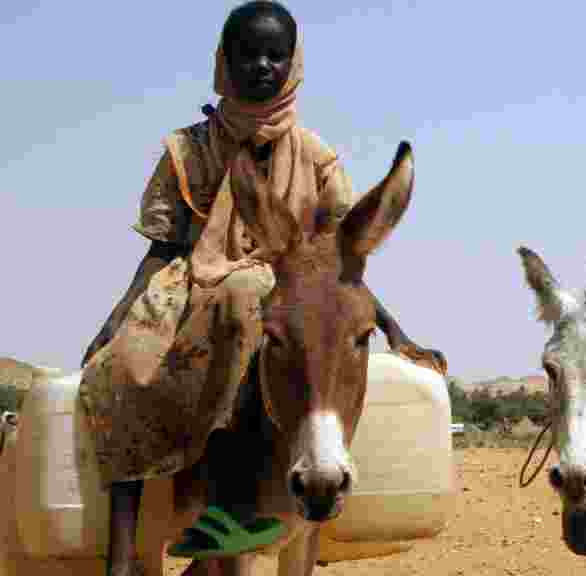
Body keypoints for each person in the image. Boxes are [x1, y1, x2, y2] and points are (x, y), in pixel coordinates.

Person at [77, 3, 445, 575]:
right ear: (224, 62)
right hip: (190, 281)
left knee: (265, 302)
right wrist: (117, 317)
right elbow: (162, 245)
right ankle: (123, 554)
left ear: (294, 63)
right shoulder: (186, 149)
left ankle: (243, 492)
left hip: (290, 285)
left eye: (276, 55)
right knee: (124, 368)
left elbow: (342, 262)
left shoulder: (318, 157)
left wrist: (393, 329)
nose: (262, 66)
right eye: (248, 54)